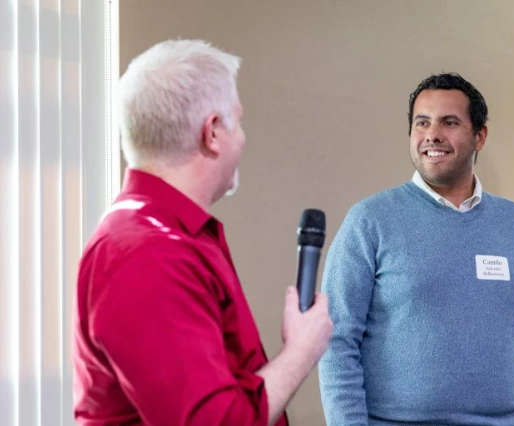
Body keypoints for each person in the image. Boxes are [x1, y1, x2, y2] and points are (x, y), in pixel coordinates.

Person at [72, 39, 332, 426]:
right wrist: (301, 350)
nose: (242, 137)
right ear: (212, 132)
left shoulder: (177, 237)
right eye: (238, 121)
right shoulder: (146, 255)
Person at [319, 72, 514, 425]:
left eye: (449, 122)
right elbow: (336, 338)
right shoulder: (370, 220)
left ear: (480, 136)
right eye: (422, 122)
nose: (432, 134)